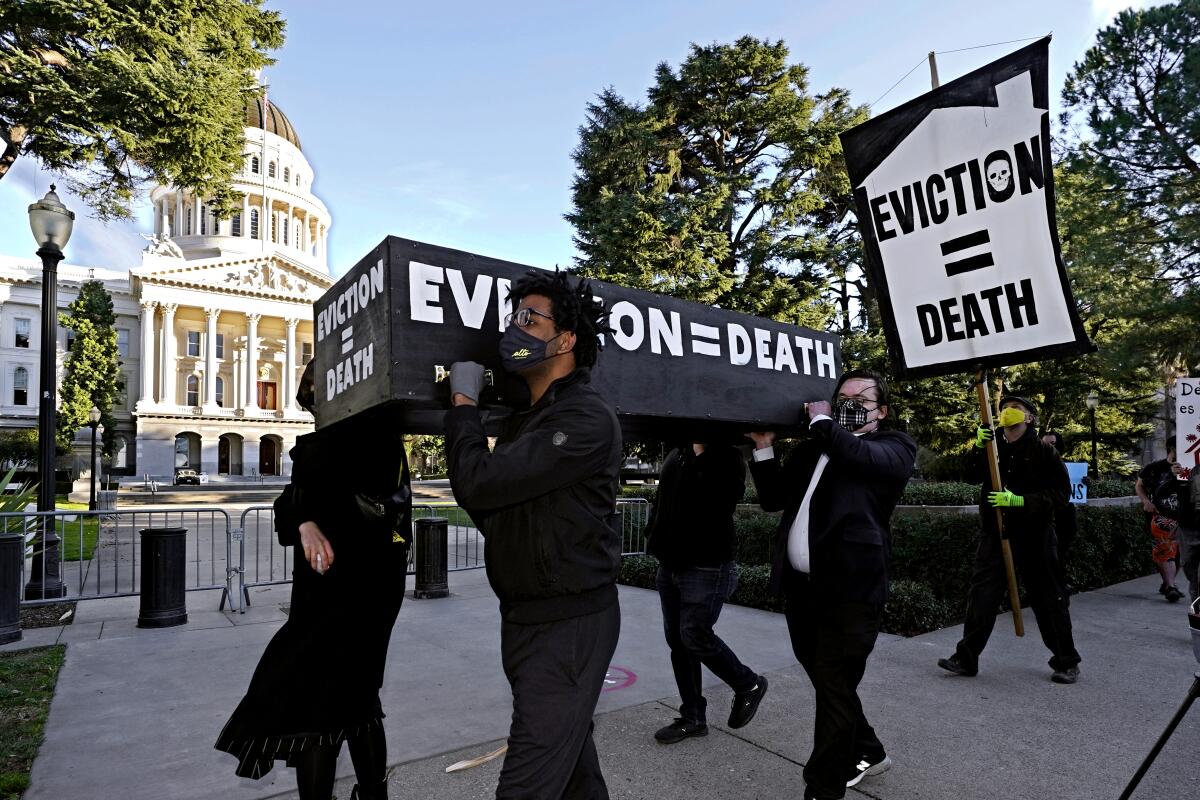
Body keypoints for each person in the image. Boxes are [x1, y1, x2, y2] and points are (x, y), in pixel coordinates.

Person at [444, 270, 622, 800]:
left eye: (529, 319)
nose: (514, 330)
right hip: (525, 619)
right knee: (572, 771)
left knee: (526, 785)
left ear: (565, 340)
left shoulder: (585, 418)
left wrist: (463, 406)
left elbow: (480, 485)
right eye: (512, 318)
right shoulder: (530, 422)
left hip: (568, 625)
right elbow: (501, 512)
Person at [215, 363, 411, 800]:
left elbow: (365, 507)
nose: (315, 399)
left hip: (359, 591)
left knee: (323, 705)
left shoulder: (368, 437)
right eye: (311, 392)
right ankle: (372, 794)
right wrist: (304, 519)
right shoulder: (325, 445)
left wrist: (303, 510)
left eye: (319, 388)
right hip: (325, 590)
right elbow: (290, 505)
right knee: (351, 702)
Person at [746, 369, 915, 800]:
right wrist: (764, 448)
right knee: (829, 683)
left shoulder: (892, 447)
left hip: (852, 594)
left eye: (860, 396)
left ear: (883, 410)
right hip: (803, 592)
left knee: (834, 685)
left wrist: (823, 423)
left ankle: (823, 788)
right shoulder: (813, 449)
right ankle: (869, 750)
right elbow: (773, 499)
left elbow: (862, 458)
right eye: (842, 396)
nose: (848, 402)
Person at [938, 395, 1081, 685]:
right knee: (982, 596)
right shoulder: (992, 447)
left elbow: (1060, 495)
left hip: (1036, 536)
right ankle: (966, 658)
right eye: (1004, 408)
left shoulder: (1044, 452)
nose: (1007, 412)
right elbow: (968, 475)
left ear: (1030, 418)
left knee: (1048, 598)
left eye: (1016, 408)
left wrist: (1020, 501)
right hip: (995, 533)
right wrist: (977, 447)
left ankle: (1066, 661)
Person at [645, 442, 767, 745]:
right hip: (670, 565)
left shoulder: (727, 456)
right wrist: (654, 535)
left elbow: (721, 501)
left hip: (708, 567)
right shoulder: (677, 451)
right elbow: (664, 499)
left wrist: (702, 455)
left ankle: (748, 684)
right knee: (679, 642)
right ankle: (692, 718)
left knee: (693, 635)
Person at [1136, 445, 1185, 602]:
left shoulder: (1191, 466)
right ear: (1172, 448)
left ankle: (1167, 583)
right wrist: (1145, 501)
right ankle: (1170, 586)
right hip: (1161, 515)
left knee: (1178, 554)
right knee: (1165, 550)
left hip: (1184, 517)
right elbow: (1139, 484)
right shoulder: (1155, 467)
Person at [1040, 431, 1078, 593]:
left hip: (1065, 514)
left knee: (1061, 551)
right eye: (1045, 443)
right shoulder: (1033, 465)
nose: (1049, 446)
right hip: (1045, 514)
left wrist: (1084, 482)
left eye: (1053, 443)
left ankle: (1060, 584)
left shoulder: (1066, 464)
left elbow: (1072, 490)